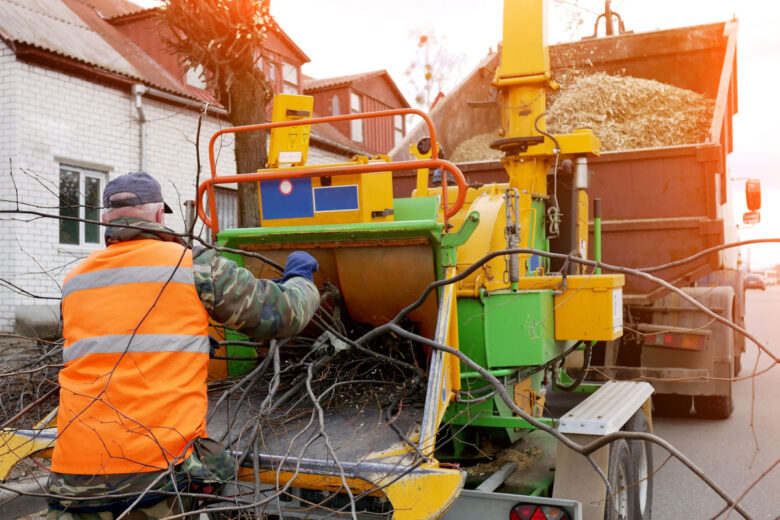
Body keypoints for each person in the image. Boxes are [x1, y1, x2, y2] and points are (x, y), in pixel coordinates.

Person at [47, 171, 320, 519]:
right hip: (152, 477)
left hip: (71, 479)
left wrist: (186, 342)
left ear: (104, 220)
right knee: (215, 464)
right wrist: (302, 279)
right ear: (160, 214)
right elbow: (283, 316)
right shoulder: (191, 265)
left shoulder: (75, 281)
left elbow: (112, 346)